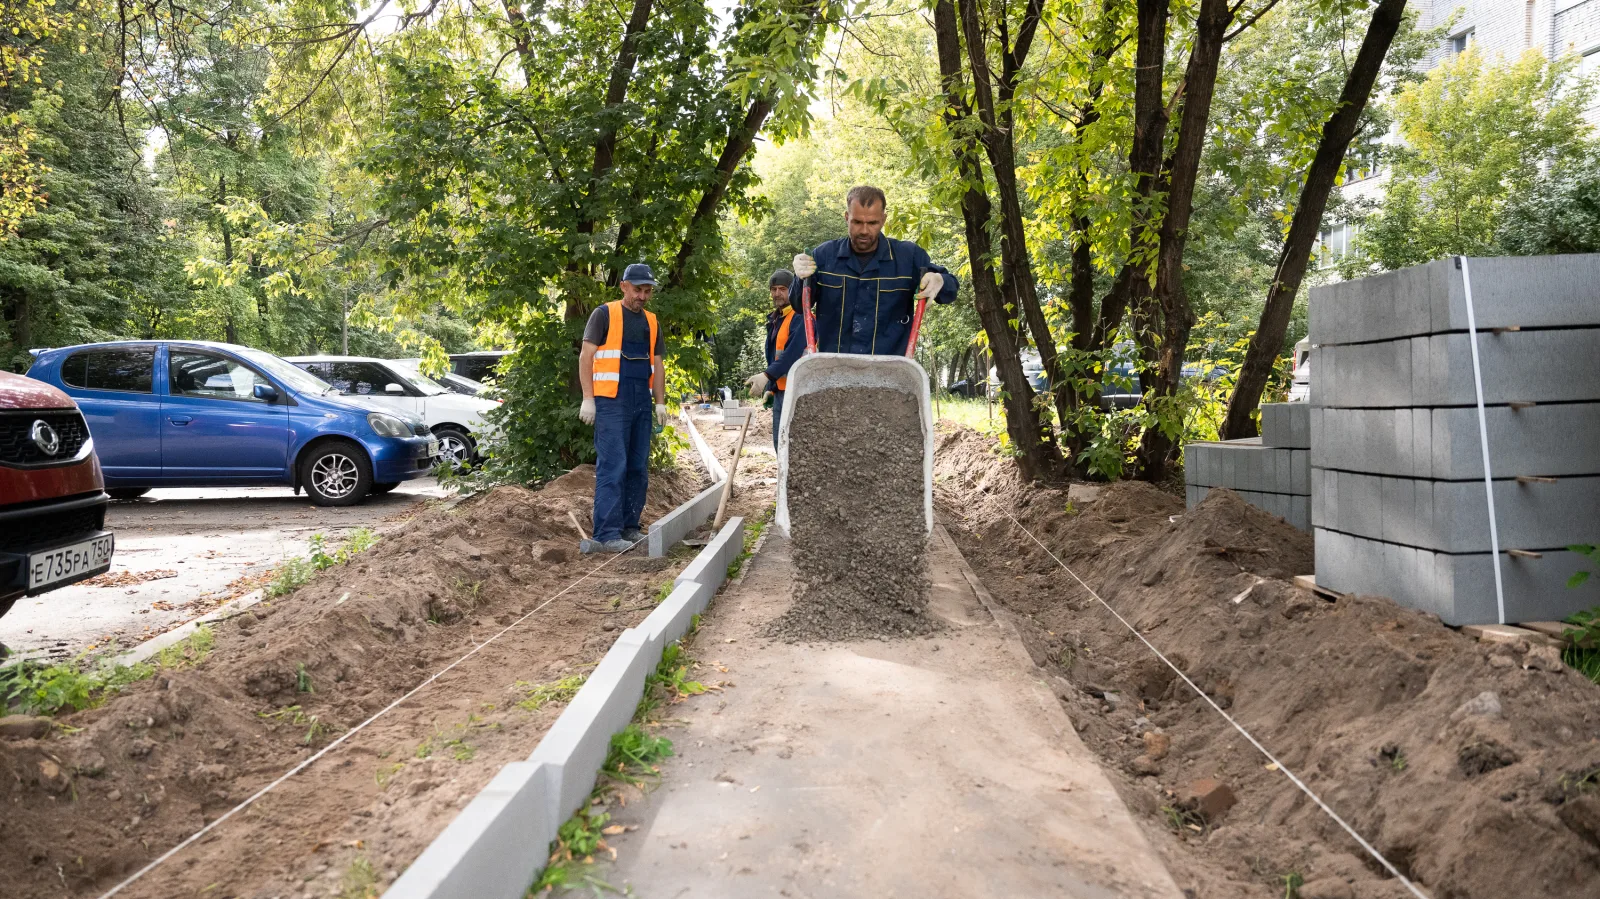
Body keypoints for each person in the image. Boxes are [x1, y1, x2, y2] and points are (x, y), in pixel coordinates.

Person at [746, 185, 958, 405]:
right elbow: (800, 306)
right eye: (857, 222)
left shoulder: (907, 257)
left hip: (889, 380)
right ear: (847, 217)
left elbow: (949, 291)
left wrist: (940, 281)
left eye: (872, 223)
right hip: (835, 380)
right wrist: (800, 278)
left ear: (883, 219)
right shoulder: (824, 257)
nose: (864, 230)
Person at [578, 263, 668, 553]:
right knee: (613, 465)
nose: (642, 296)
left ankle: (630, 527)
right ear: (624, 286)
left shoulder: (652, 321)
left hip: (641, 399)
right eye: (638, 290)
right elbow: (586, 357)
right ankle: (606, 533)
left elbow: (658, 364)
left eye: (647, 291)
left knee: (638, 467)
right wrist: (588, 398)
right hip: (610, 401)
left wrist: (661, 402)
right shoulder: (604, 314)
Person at [761, 268, 796, 448]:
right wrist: (772, 388)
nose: (777, 293)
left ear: (793, 290)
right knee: (779, 445)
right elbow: (775, 358)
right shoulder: (777, 320)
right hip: (781, 391)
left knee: (791, 447)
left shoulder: (800, 318)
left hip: (797, 394)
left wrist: (766, 376)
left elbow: (791, 355)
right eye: (774, 289)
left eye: (782, 289)